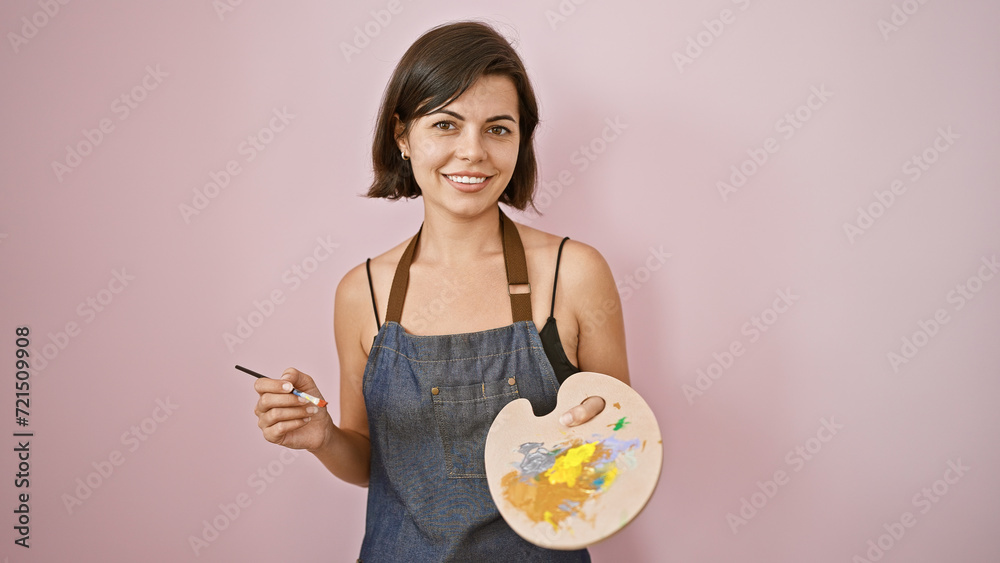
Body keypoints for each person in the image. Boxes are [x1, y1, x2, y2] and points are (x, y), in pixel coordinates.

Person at [252, 21, 629, 562]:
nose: (472, 151)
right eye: (446, 124)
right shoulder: (363, 292)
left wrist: (603, 439)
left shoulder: (575, 273)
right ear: (403, 136)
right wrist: (323, 436)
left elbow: (622, 447)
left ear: (520, 141)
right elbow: (369, 462)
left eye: (498, 129)